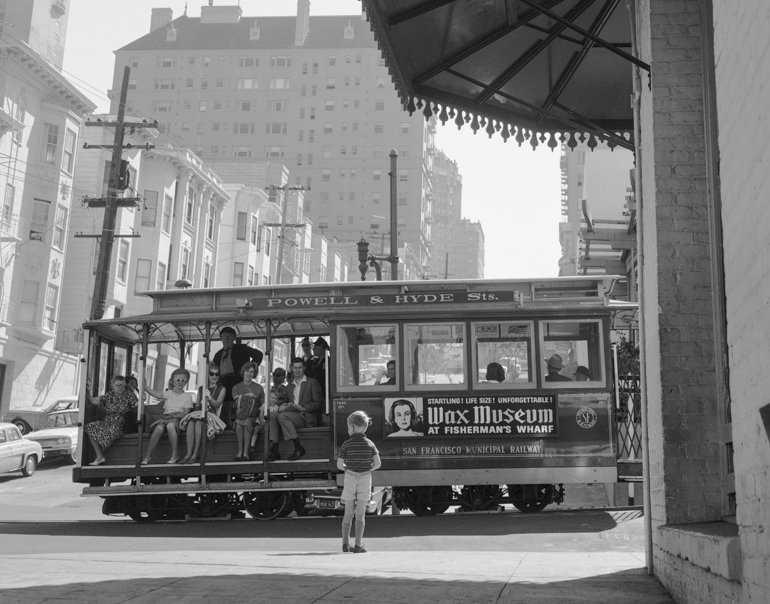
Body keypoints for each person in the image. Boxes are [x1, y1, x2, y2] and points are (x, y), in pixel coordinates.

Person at [337, 410, 381, 553]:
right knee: (360, 514)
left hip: (350, 477)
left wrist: (348, 468)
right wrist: (368, 469)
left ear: (353, 428)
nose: (348, 429)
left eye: (348, 427)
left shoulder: (346, 444)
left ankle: (345, 544)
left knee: (348, 513)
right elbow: (378, 464)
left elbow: (339, 465)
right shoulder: (370, 444)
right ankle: (358, 544)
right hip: (364, 478)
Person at [268, 357, 322, 461]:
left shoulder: (312, 382)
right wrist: (281, 406)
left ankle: (298, 447)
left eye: (300, 368)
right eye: (295, 368)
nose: (297, 370)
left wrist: (303, 408)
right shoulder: (290, 386)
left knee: (282, 416)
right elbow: (286, 401)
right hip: (292, 414)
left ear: (304, 368)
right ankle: (275, 450)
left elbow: (318, 403)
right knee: (274, 414)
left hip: (305, 415)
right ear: (292, 368)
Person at [211, 326, 264, 428]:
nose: (227, 339)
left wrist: (251, 367)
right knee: (224, 405)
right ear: (221, 338)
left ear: (234, 338)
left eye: (230, 337)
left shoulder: (241, 349)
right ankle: (226, 426)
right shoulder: (217, 355)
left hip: (237, 380)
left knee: (239, 403)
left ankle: (241, 425)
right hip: (224, 382)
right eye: (224, 337)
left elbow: (258, 354)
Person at [142, 368, 195, 464]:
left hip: (177, 420)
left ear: (186, 382)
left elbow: (186, 414)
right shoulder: (169, 393)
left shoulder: (188, 397)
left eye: (183, 380)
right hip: (165, 418)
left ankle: (174, 455)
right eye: (178, 380)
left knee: (170, 426)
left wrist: (176, 415)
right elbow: (157, 394)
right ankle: (147, 456)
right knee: (158, 428)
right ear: (173, 382)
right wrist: (146, 388)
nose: (180, 382)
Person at [84, 375, 138, 466]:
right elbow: (94, 401)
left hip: (120, 423)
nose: (120, 387)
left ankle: (106, 456)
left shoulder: (129, 395)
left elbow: (136, 404)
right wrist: (87, 392)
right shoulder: (109, 395)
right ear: (113, 385)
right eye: (118, 385)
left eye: (122, 385)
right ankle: (100, 456)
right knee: (89, 427)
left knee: (110, 432)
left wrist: (141, 400)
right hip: (107, 422)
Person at [179, 363, 226, 464]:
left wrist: (209, 398)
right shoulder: (201, 388)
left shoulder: (221, 389)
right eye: (211, 373)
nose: (214, 376)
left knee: (199, 423)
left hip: (210, 413)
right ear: (208, 375)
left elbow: (217, 404)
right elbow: (197, 405)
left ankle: (195, 454)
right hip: (199, 412)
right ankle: (188, 453)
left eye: (217, 374)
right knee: (191, 423)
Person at [249, 367, 287, 457]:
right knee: (257, 428)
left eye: (278, 375)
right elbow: (263, 408)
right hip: (265, 418)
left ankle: (273, 449)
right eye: (274, 374)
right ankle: (252, 446)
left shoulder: (284, 389)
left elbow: (283, 402)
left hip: (275, 416)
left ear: (284, 377)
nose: (275, 377)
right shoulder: (272, 389)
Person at [232, 361, 264, 461]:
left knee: (247, 422)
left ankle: (245, 453)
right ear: (243, 371)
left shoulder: (259, 388)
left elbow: (263, 404)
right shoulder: (236, 387)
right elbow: (238, 402)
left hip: (254, 417)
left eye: (251, 372)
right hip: (240, 415)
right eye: (247, 371)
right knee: (239, 423)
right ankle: (240, 451)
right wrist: (248, 396)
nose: (249, 374)